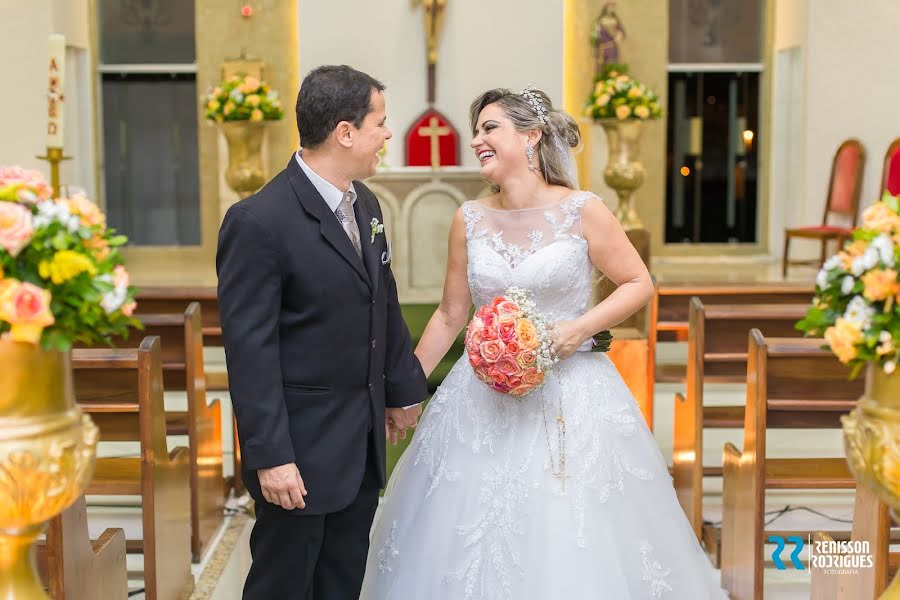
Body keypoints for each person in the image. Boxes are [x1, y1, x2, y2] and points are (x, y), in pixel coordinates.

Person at [359, 87, 728, 598]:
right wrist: (405, 389)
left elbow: (639, 283)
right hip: (481, 397)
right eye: (477, 130)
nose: (477, 140)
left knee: (570, 524)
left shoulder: (582, 210)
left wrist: (577, 329)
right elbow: (450, 314)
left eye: (490, 128)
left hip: (570, 393)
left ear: (531, 136)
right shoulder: (468, 218)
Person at [216, 65, 427, 600]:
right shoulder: (259, 221)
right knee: (284, 585)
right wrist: (271, 456)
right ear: (345, 131)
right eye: (380, 122)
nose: (388, 134)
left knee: (341, 580)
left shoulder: (366, 204)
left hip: (359, 440)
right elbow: (250, 351)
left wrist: (401, 392)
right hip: (299, 449)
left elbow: (384, 301)